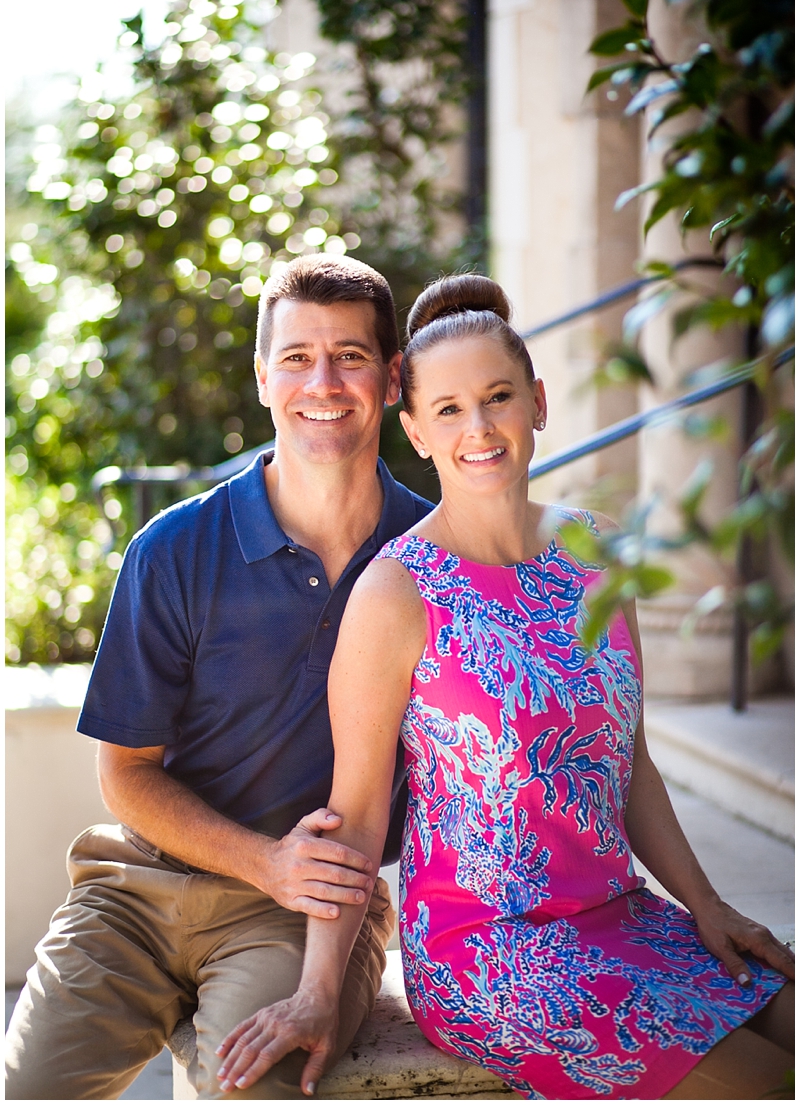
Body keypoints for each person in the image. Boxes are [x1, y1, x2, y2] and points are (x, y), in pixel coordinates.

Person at [214, 273, 794, 1101]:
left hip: (625, 917)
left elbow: (628, 761)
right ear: (413, 428)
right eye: (448, 409)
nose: (479, 428)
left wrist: (707, 903)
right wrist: (315, 989)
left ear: (538, 402)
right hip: (492, 956)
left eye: (498, 397)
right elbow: (358, 812)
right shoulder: (394, 593)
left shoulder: (597, 550)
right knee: (770, 1086)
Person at [4, 254, 434, 1100]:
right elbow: (125, 773)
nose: (323, 379)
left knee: (253, 1088)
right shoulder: (174, 549)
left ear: (390, 380)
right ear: (263, 374)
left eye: (350, 355)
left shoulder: (432, 558)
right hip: (134, 889)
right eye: (297, 356)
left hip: (301, 913)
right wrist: (262, 858)